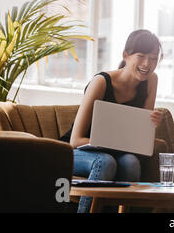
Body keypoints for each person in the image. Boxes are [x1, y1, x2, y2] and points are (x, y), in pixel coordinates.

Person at [60, 29, 164, 213]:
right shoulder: (101, 82)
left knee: (131, 162)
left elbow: (140, 142)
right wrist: (113, 145)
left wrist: (152, 124)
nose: (148, 64)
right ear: (126, 55)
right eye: (141, 56)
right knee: (106, 161)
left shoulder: (151, 81)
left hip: (115, 153)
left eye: (154, 58)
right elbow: (75, 140)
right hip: (76, 153)